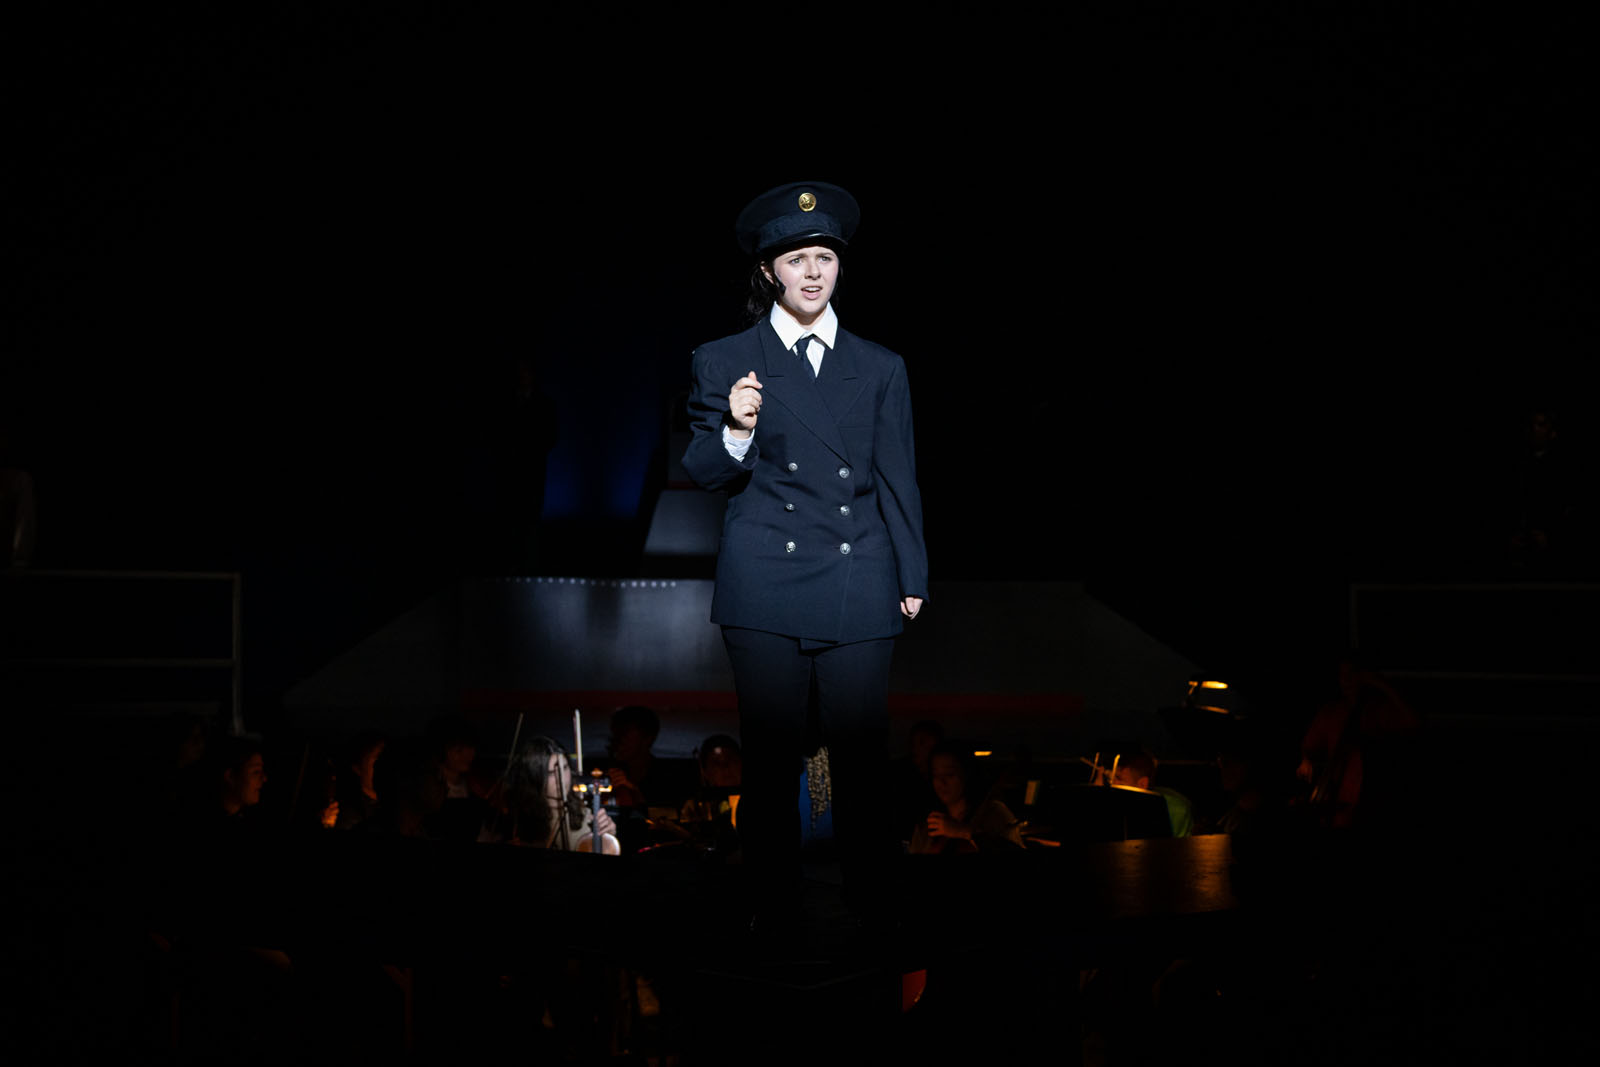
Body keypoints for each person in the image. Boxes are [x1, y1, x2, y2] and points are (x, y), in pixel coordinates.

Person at [682, 181, 929, 923]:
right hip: (765, 576)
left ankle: (872, 914)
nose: (813, 272)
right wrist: (736, 428)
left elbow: (898, 475)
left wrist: (913, 572)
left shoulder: (880, 366)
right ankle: (772, 915)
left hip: (860, 569)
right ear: (769, 272)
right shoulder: (725, 358)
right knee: (771, 758)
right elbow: (704, 472)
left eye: (824, 256)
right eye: (796, 259)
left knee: (860, 759)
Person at [909, 741, 1023, 854]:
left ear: (966, 773)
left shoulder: (993, 813)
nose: (941, 782)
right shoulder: (927, 825)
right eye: (936, 775)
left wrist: (963, 831)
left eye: (949, 774)